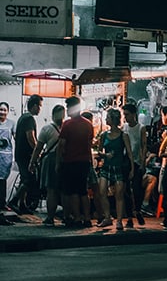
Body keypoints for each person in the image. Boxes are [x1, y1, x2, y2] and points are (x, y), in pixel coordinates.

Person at [56, 97, 94, 228]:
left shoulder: (67, 124)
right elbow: (89, 144)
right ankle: (87, 218)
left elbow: (61, 145)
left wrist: (57, 162)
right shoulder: (88, 124)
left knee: (72, 192)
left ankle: (77, 217)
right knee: (83, 191)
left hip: (70, 162)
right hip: (84, 162)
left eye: (68, 108)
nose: (67, 110)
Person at [94, 108, 133, 231]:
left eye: (108, 118)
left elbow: (129, 153)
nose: (106, 120)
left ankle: (119, 220)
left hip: (118, 167)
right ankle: (107, 217)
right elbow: (99, 152)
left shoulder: (123, 135)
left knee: (119, 194)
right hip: (106, 167)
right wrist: (105, 155)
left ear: (114, 120)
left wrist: (132, 169)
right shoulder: (104, 135)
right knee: (102, 191)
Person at [9, 95, 42, 214]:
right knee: (29, 179)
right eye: (39, 106)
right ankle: (14, 201)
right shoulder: (29, 119)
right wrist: (38, 151)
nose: (40, 109)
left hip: (20, 154)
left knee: (24, 179)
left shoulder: (23, 117)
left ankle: (22, 205)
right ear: (34, 106)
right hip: (26, 155)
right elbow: (30, 137)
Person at [33, 104, 65, 226]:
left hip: (51, 160)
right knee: (64, 190)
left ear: (52, 115)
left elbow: (38, 148)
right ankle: (67, 216)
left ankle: (50, 217)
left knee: (51, 189)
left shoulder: (46, 129)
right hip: (65, 160)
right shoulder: (67, 128)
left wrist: (32, 162)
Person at [122, 104, 146, 228]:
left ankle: (137, 210)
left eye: (127, 114)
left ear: (133, 114)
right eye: (124, 114)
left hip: (136, 162)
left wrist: (143, 163)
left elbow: (143, 146)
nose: (125, 117)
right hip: (125, 161)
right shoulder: (124, 127)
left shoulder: (141, 128)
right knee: (125, 190)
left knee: (137, 189)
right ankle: (130, 217)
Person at [0, 101, 14, 211]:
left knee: (3, 180)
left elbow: (16, 137)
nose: (2, 112)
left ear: (8, 112)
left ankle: (2, 203)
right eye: (0, 109)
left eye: (4, 110)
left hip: (6, 157)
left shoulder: (12, 124)